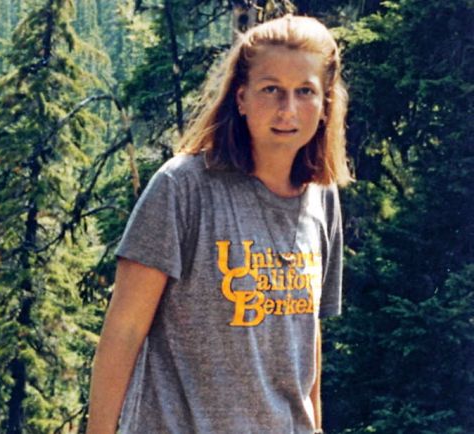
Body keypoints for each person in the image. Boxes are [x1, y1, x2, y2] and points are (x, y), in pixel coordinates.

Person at [86, 14, 351, 434]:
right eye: (271, 90)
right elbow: (124, 330)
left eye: (305, 91)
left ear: (326, 105)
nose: (287, 109)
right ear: (241, 98)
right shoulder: (183, 187)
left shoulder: (322, 196)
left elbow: (305, 336)